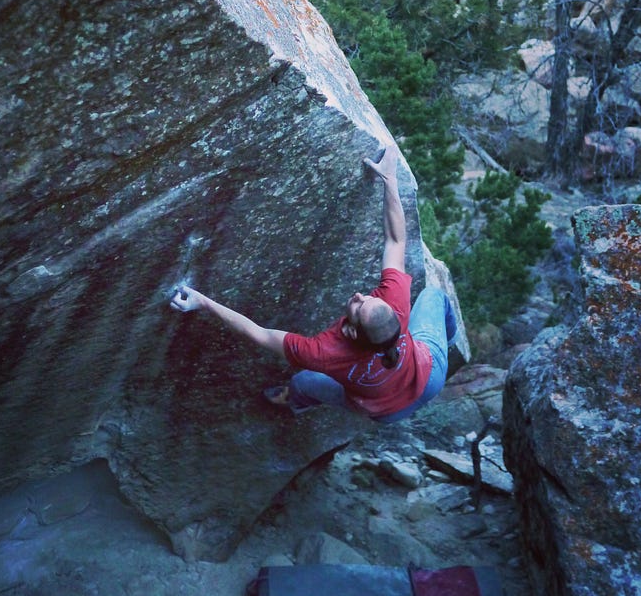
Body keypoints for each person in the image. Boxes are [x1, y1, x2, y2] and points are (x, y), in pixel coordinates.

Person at [169, 148, 457, 424]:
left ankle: (295, 401)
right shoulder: (394, 303)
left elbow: (258, 333)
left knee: (304, 382)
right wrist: (388, 179)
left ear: (353, 331)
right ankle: (450, 343)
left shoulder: (324, 353)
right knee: (434, 296)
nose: (359, 296)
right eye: (367, 298)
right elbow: (396, 240)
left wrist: (203, 302)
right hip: (429, 378)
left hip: (383, 410)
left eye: (359, 306)